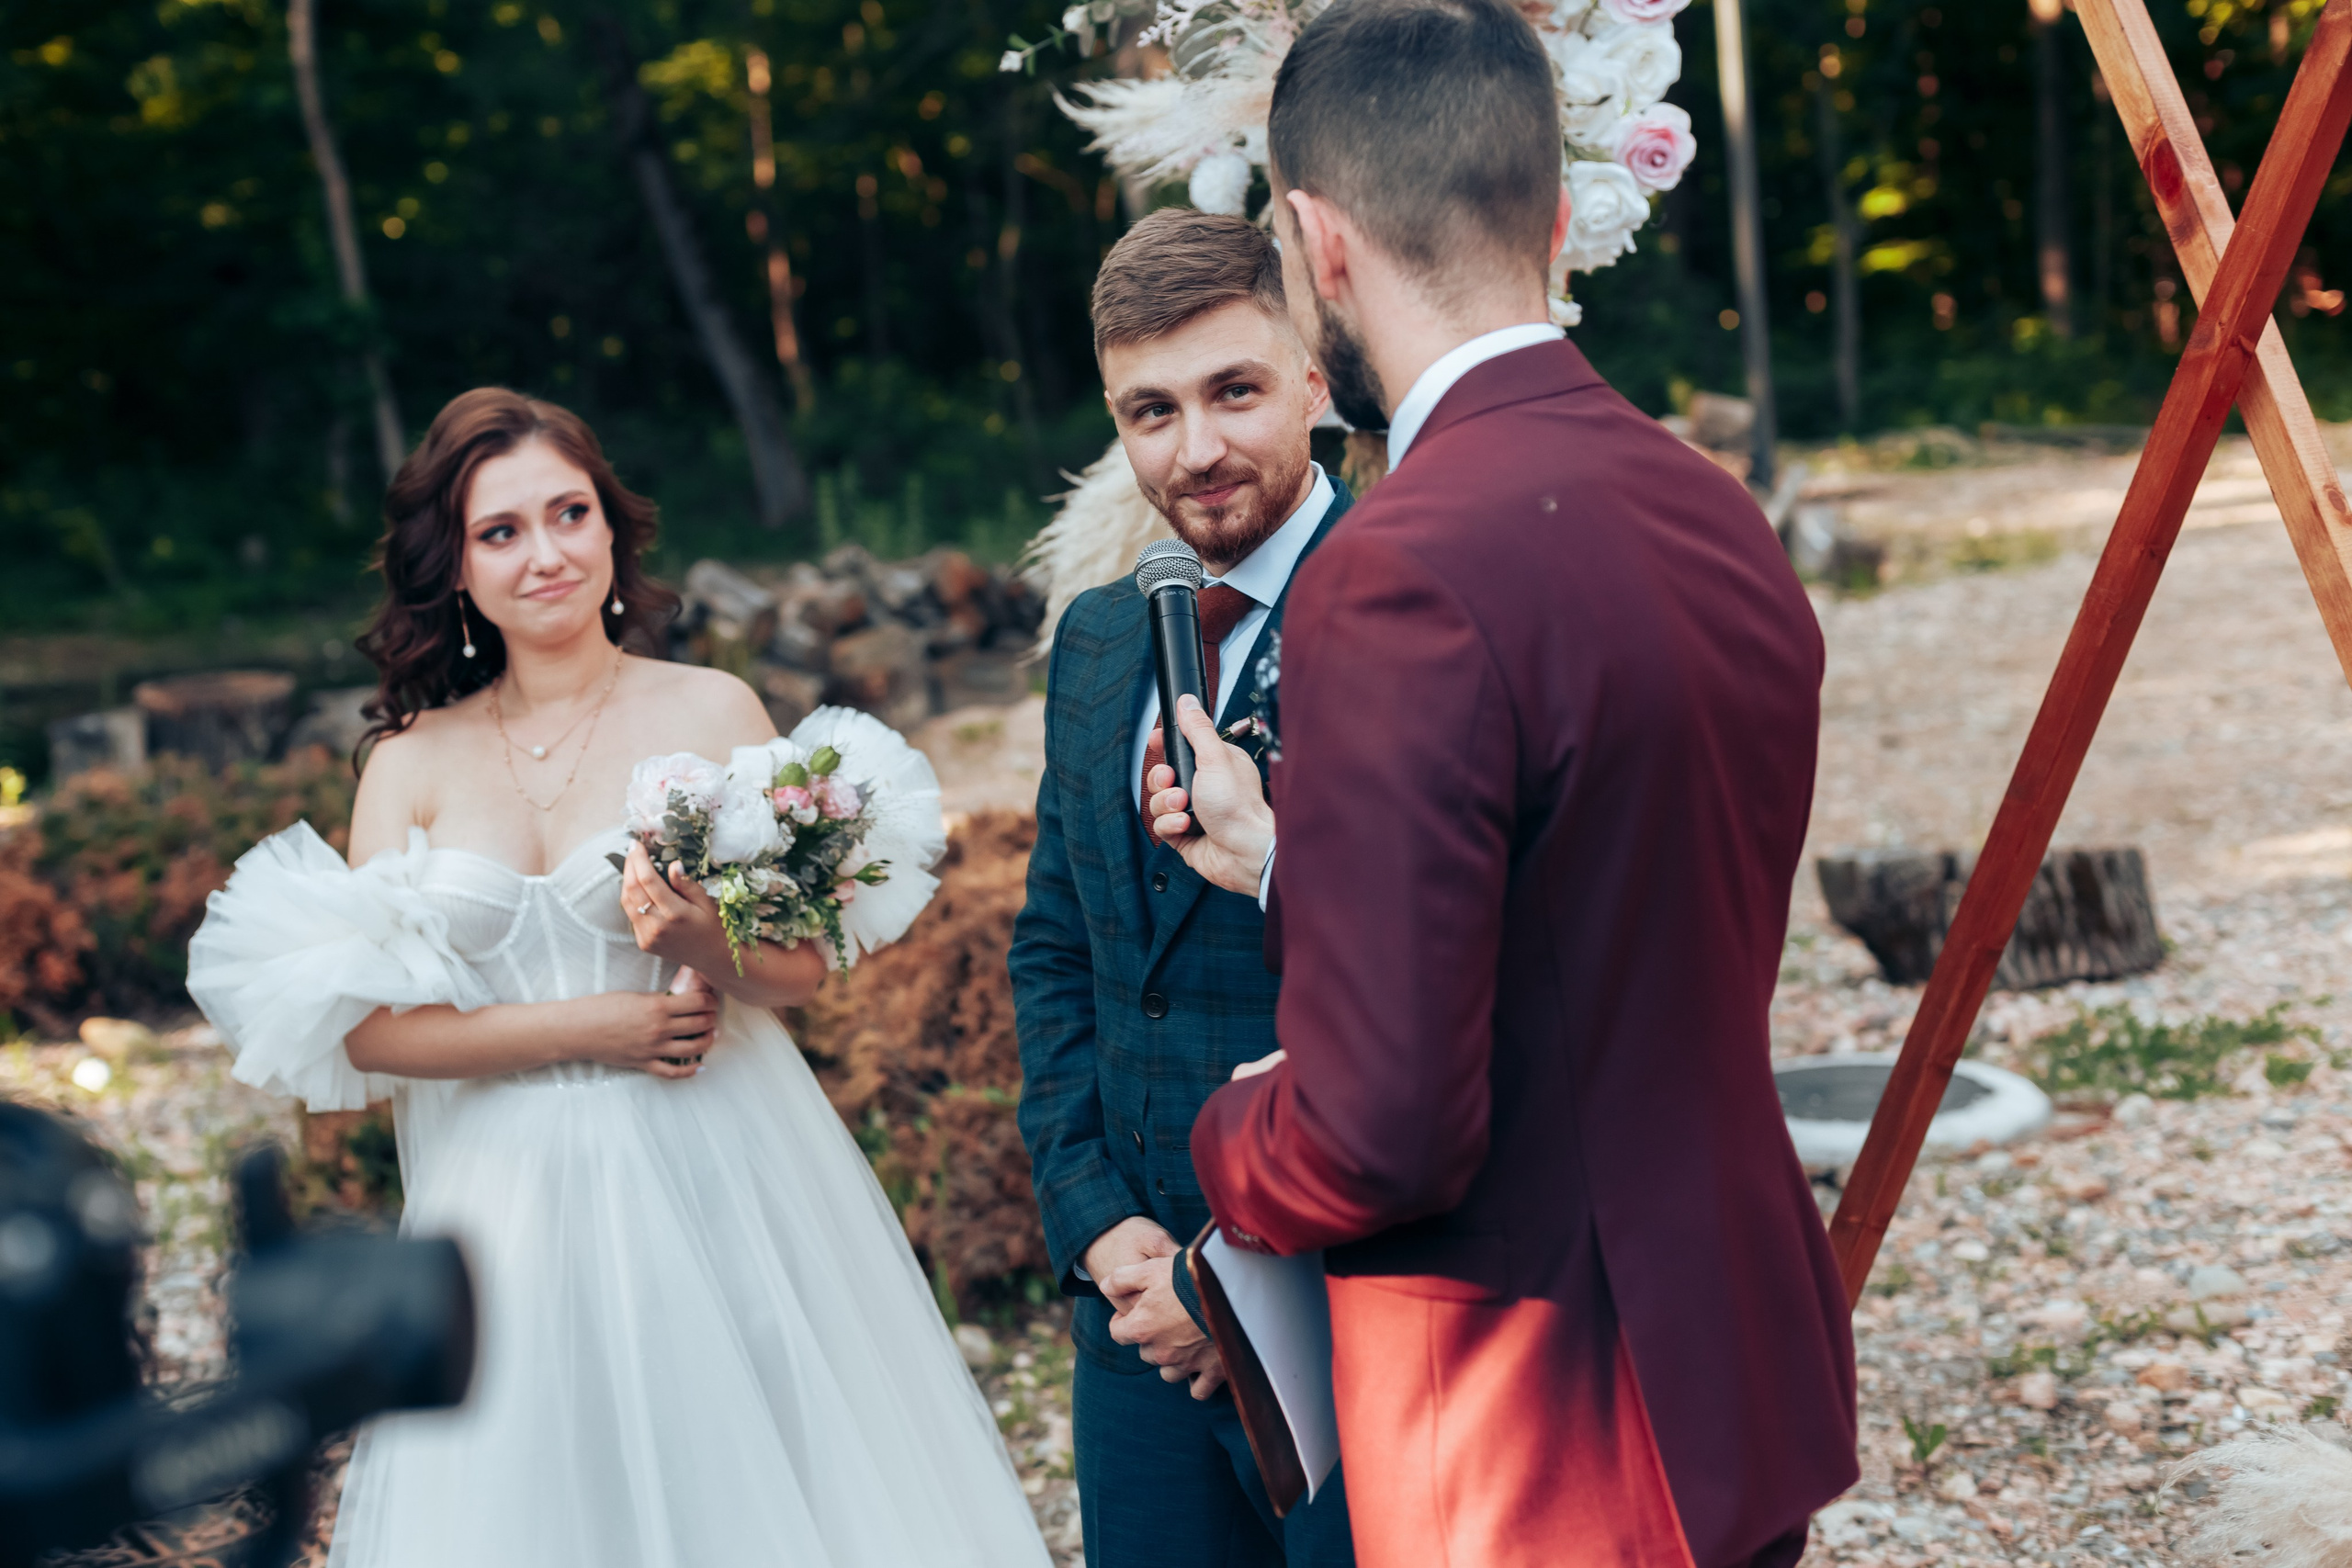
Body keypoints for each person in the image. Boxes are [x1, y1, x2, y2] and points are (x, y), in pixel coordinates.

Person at [1145, 2, 1860, 1564]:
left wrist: (1230, 1131)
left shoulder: (1398, 571)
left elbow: (1381, 1131)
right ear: (1548, 214)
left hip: (1539, 1434)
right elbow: (1602, 905)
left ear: (1317, 241)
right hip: (1737, 1377)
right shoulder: (1712, 510)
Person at [185, 389, 1049, 1568]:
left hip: (719, 1163)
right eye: (501, 532)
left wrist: (697, 940)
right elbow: (373, 1034)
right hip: (500, 1201)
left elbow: (799, 971)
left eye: (569, 514)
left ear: (610, 526)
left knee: (752, 1488)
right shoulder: (408, 763)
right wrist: (590, 1029)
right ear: (454, 566)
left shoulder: (710, 708)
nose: (545, 555)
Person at [1011, 209, 1357, 1568]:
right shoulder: (1100, 639)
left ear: (1314, 379)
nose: (1194, 449)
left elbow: (1447, 979)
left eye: (1234, 391)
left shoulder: (1407, 609)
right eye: (1150, 411)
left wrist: (1233, 1280)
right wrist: (1101, 1226)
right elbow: (1058, 950)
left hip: (1337, 1307)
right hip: (1133, 1325)